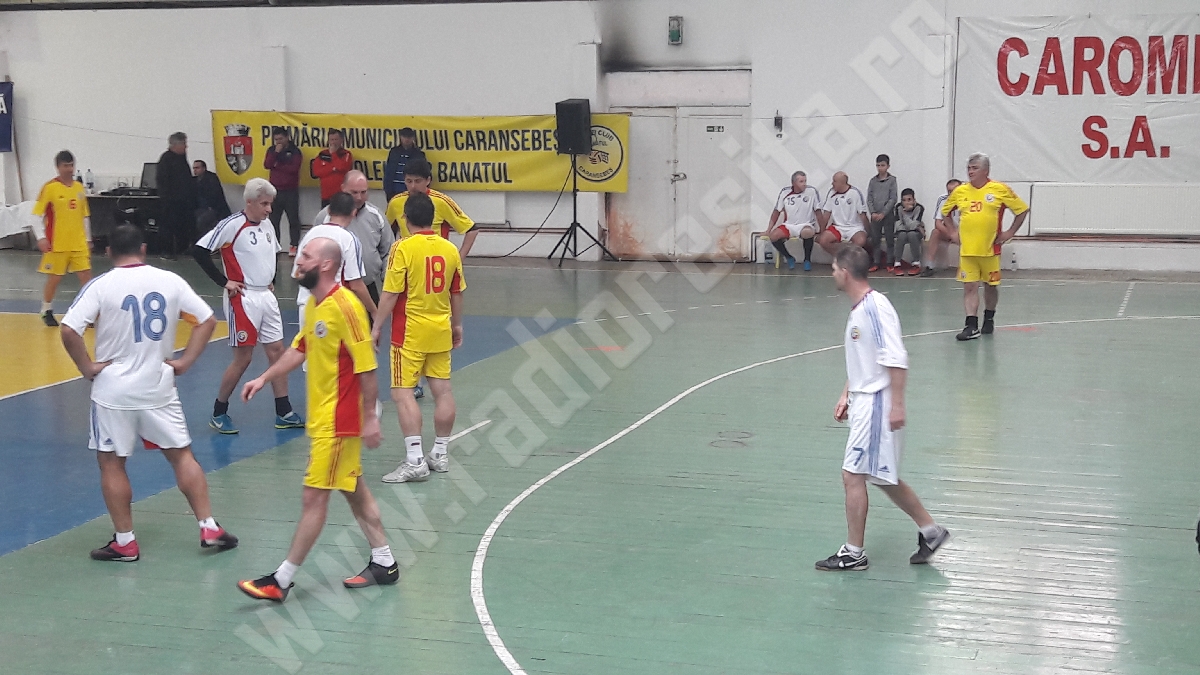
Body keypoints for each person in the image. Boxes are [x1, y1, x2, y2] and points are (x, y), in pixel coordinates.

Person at [60, 224, 238, 562]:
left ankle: (125, 542)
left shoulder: (100, 285)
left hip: (113, 392)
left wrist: (86, 367)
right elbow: (206, 320)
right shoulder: (170, 280)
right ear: (143, 248)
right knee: (182, 456)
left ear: (108, 252)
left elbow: (69, 329)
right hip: (159, 385)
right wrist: (185, 361)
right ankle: (209, 526)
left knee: (111, 462)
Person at [236, 236, 397, 602]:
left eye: (305, 256)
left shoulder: (347, 306)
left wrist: (370, 418)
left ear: (325, 265)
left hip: (340, 423)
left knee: (313, 498)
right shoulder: (314, 304)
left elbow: (367, 366)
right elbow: (301, 348)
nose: (298, 260)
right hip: (323, 419)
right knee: (353, 490)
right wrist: (264, 378)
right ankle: (384, 562)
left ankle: (281, 580)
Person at [816, 244, 950, 571]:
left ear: (845, 272)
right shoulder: (860, 309)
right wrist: (846, 394)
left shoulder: (875, 308)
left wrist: (897, 406)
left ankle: (853, 553)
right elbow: (866, 360)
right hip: (865, 400)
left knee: (852, 474)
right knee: (881, 476)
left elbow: (896, 357)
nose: (832, 274)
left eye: (833, 269)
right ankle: (931, 532)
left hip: (877, 403)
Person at [192, 178, 302, 434]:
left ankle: (284, 411)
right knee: (244, 358)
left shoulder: (267, 225)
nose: (269, 209)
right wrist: (224, 282)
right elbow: (198, 250)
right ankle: (219, 411)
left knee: (277, 351)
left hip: (266, 296)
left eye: (270, 204)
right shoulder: (231, 225)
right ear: (250, 202)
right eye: (264, 204)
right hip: (242, 298)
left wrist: (271, 279)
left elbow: (272, 254)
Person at [372, 192, 465, 483]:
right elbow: (456, 292)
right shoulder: (450, 249)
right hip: (440, 328)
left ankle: (415, 460)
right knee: (443, 392)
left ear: (405, 218)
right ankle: (440, 453)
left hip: (409, 332)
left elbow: (391, 292)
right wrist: (457, 325)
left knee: (402, 393)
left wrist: (376, 326)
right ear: (433, 218)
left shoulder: (402, 247)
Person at [940, 152, 1030, 341]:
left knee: (990, 286)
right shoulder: (960, 191)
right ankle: (970, 325)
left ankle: (989, 317)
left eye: (975, 168)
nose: (970, 172)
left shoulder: (999, 189)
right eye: (969, 168)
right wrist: (953, 232)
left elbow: (1022, 210)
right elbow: (945, 212)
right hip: (967, 250)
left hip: (990, 250)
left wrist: (1009, 232)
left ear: (986, 170)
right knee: (970, 287)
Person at [294, 192, 376, 334]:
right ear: (354, 213)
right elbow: (356, 284)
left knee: (308, 347)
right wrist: (374, 311)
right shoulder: (348, 238)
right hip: (332, 307)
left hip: (306, 305)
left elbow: (297, 273)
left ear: (329, 211)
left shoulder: (310, 234)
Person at [312, 170, 394, 304]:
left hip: (367, 288)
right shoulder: (324, 217)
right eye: (354, 192)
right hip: (333, 290)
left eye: (363, 192)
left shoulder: (377, 216)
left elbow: (389, 251)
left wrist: (387, 281)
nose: (359, 197)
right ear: (343, 188)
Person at [31, 150, 92, 327]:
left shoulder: (79, 188)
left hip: (78, 242)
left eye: (71, 165)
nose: (69, 169)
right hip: (57, 243)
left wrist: (88, 239)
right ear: (58, 167)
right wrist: (41, 237)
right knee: (55, 277)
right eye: (65, 166)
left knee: (86, 277)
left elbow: (84, 215)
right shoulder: (50, 188)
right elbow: (36, 215)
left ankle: (88, 312)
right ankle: (46, 309)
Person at [385, 159, 478, 257]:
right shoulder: (395, 202)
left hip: (436, 259)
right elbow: (383, 230)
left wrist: (459, 259)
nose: (413, 186)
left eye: (418, 181)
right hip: (407, 259)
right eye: (409, 181)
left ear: (428, 180)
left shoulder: (441, 201)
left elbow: (471, 229)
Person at [767, 171, 823, 271]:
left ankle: (807, 260)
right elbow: (776, 211)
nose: (804, 184)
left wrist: (822, 230)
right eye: (801, 181)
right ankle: (789, 257)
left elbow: (818, 212)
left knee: (808, 233)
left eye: (805, 181)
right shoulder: (785, 192)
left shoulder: (811, 191)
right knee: (773, 236)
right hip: (789, 225)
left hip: (806, 224)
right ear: (793, 183)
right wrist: (769, 229)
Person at [156, 132, 199, 258]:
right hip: (171, 200)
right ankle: (166, 251)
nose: (186, 146)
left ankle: (184, 249)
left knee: (185, 225)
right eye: (184, 143)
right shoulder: (166, 159)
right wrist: (167, 197)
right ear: (176, 145)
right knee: (168, 226)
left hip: (184, 200)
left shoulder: (182, 158)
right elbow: (162, 180)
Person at [264, 127, 303, 256]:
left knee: (293, 219)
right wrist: (276, 153)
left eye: (281, 139)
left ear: (287, 137)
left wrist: (277, 165)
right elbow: (267, 164)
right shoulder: (272, 150)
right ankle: (275, 245)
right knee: (273, 220)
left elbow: (294, 168)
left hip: (290, 191)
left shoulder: (295, 151)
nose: (278, 142)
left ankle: (294, 245)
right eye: (276, 139)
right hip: (275, 191)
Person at [816, 172, 870, 257]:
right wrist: (822, 232)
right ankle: (841, 257)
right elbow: (826, 214)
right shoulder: (831, 192)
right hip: (838, 227)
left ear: (842, 182)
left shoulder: (855, 193)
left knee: (861, 241)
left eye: (834, 181)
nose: (832, 183)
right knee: (823, 241)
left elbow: (862, 215)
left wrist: (869, 232)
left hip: (854, 227)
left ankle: (847, 258)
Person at [919, 179, 962, 277]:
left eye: (954, 191)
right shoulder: (943, 199)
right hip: (949, 231)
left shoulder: (968, 200)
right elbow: (938, 223)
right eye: (949, 191)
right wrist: (951, 234)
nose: (952, 194)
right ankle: (929, 266)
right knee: (935, 232)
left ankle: (965, 267)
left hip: (964, 232)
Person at [866, 154, 898, 273]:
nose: (880, 168)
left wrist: (883, 213)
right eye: (878, 165)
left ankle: (889, 262)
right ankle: (876, 262)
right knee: (875, 239)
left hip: (888, 215)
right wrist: (873, 212)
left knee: (889, 239)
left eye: (883, 165)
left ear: (888, 166)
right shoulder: (873, 181)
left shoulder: (892, 180)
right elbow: (869, 198)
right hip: (875, 215)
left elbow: (893, 198)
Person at [310, 128, 353, 208]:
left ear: (341, 140)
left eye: (336, 139)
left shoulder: (346, 154)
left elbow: (343, 167)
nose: (333, 142)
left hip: (341, 195)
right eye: (331, 140)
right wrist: (333, 168)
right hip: (326, 196)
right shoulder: (323, 154)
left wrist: (333, 154)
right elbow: (316, 172)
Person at [383, 127, 426, 202]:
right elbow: (388, 171)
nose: (406, 139)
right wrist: (387, 189)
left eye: (409, 137)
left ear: (413, 138)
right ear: (400, 137)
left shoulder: (418, 154)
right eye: (404, 136)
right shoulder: (394, 152)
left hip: (411, 192)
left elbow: (423, 174)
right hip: (393, 192)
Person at [890, 188, 924, 276]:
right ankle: (897, 263)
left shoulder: (919, 208)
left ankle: (916, 263)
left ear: (914, 200)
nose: (907, 203)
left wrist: (904, 214)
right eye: (904, 200)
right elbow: (898, 226)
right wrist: (914, 226)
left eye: (909, 200)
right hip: (903, 231)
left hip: (915, 233)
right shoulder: (898, 207)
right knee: (902, 235)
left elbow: (913, 226)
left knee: (911, 234)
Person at [193, 159, 232, 234]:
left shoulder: (211, 178)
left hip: (214, 208)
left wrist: (210, 207)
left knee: (201, 221)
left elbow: (215, 195)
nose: (195, 170)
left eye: (197, 168)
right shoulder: (194, 180)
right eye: (194, 168)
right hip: (200, 207)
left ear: (204, 168)